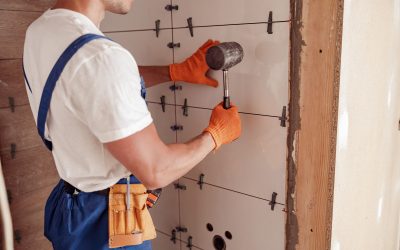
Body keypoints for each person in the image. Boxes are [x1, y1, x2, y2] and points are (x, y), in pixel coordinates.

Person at [22, 0, 241, 249]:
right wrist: (216, 134)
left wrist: (174, 72)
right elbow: (157, 170)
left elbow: (90, 82)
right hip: (108, 225)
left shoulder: (43, 30)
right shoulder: (101, 57)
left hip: (72, 207)